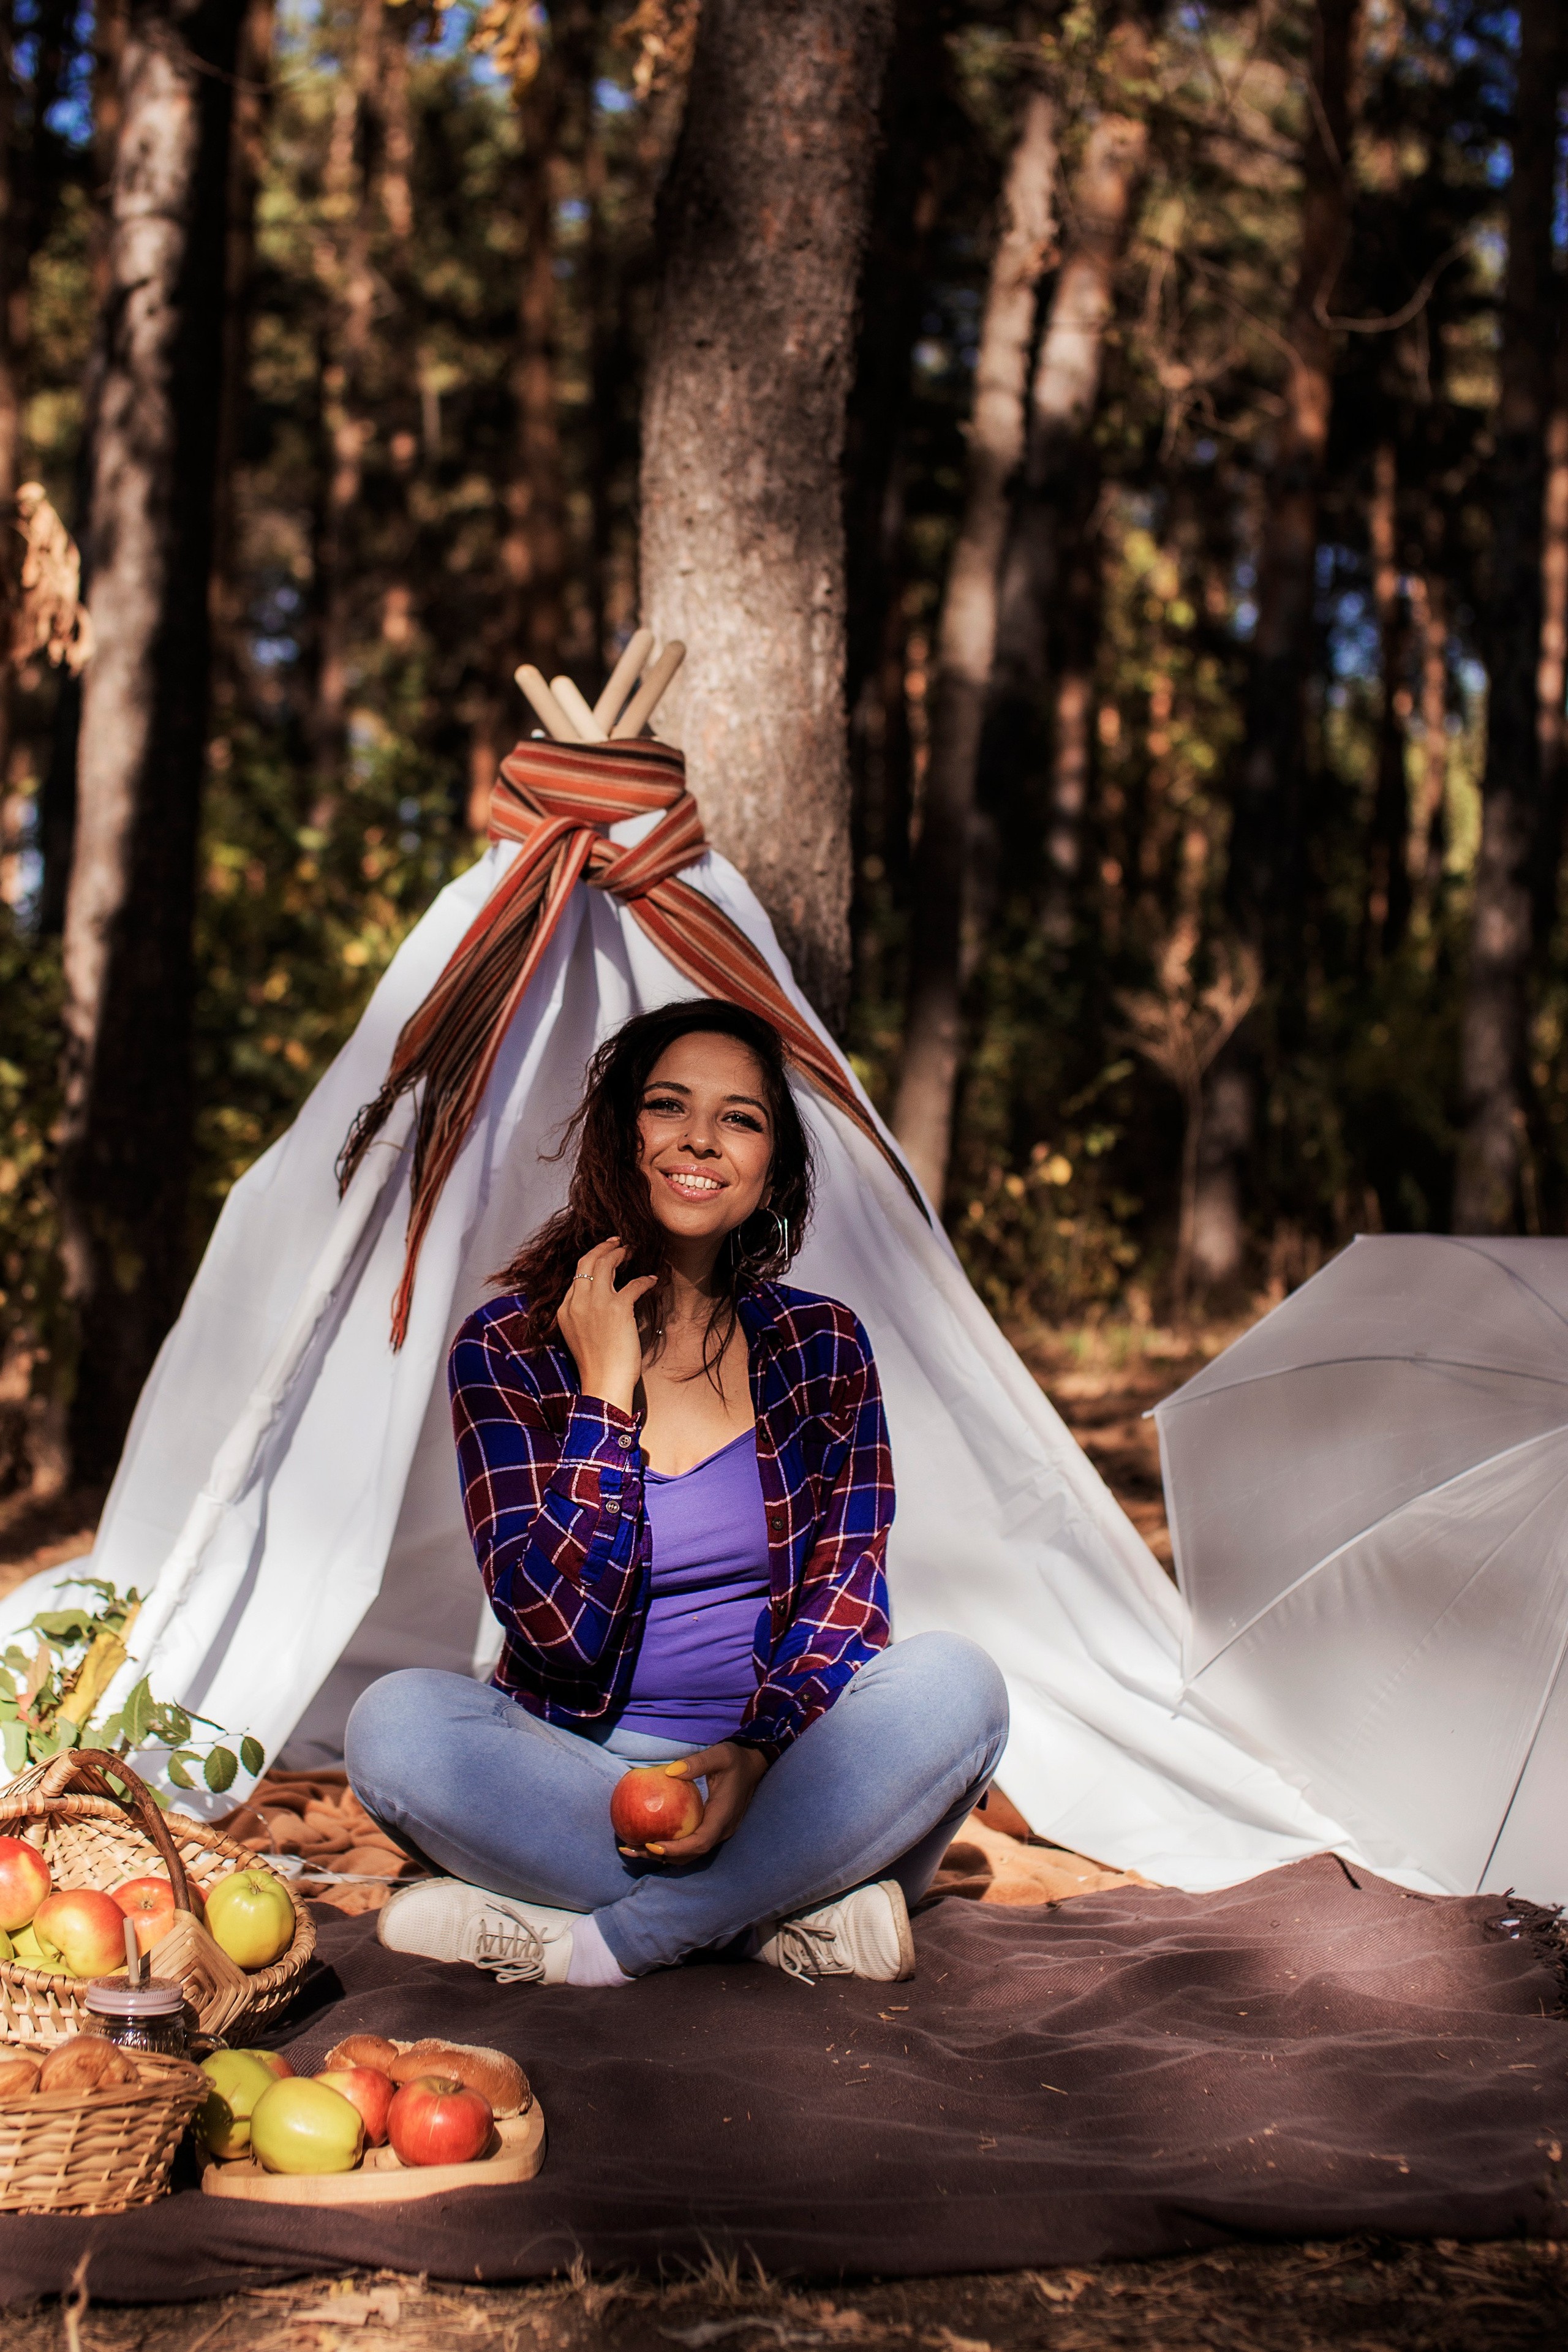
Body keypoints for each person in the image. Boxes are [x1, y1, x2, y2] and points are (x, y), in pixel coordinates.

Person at [345, 999, 1008, 1988]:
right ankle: (779, 1920)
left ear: (774, 1168)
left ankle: (605, 1945)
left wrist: (760, 1755)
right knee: (391, 1725)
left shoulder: (823, 1347)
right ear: (623, 1131)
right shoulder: (508, 1349)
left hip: (785, 1784)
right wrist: (605, 1397)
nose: (701, 1138)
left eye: (740, 1118)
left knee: (961, 1685)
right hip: (573, 1785)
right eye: (669, 1106)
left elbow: (847, 1595)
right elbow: (554, 1633)